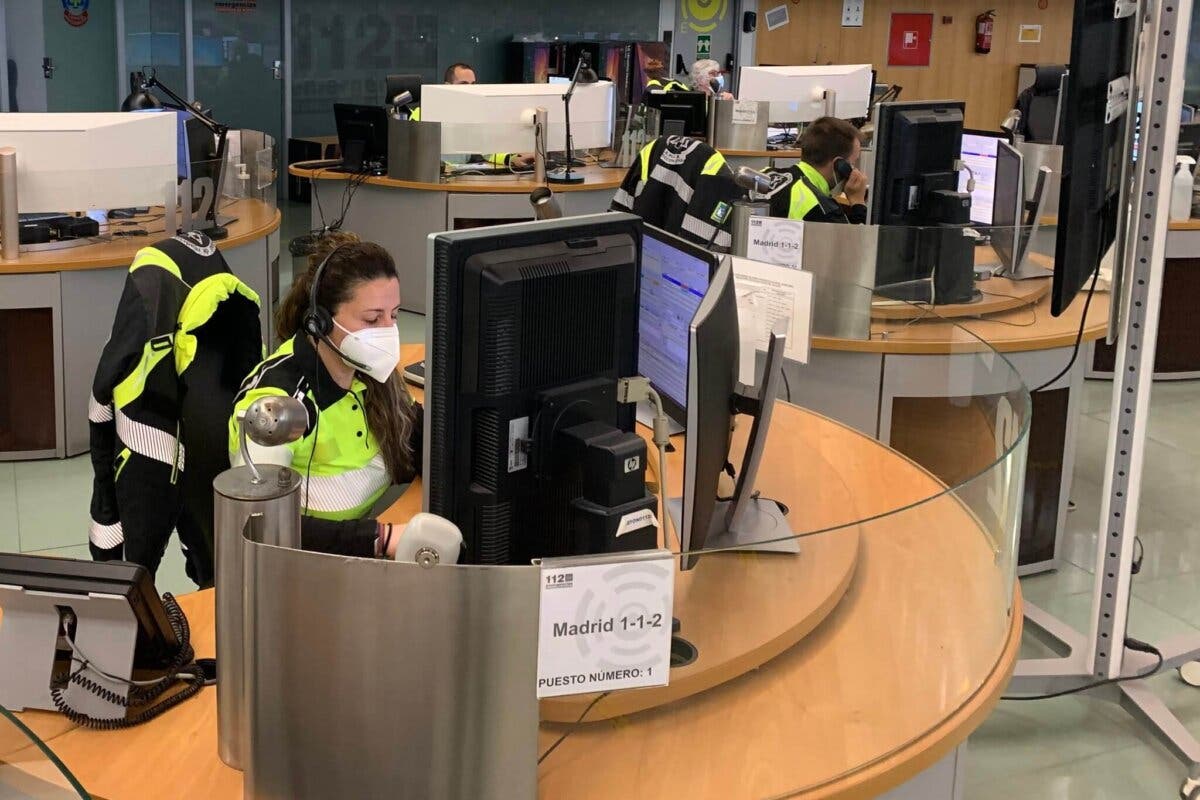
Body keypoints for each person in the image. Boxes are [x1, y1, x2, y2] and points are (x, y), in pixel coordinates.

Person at [228, 232, 421, 558]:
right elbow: (262, 525)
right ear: (320, 322)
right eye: (373, 319)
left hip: (367, 537)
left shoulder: (368, 371)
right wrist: (382, 538)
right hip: (311, 564)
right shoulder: (276, 407)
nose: (387, 331)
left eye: (394, 315)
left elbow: (418, 433)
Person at [409, 62, 534, 170]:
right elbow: (415, 152)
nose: (470, 89)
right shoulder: (424, 112)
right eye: (463, 84)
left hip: (461, 177)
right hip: (434, 178)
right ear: (447, 87)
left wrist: (511, 159)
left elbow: (488, 151)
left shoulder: (476, 115)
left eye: (473, 84)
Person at [752, 116, 870, 224]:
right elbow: (855, 244)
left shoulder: (762, 174)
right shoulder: (823, 209)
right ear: (840, 165)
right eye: (852, 164)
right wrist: (858, 203)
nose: (854, 170)